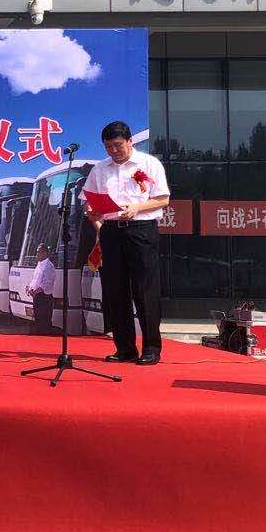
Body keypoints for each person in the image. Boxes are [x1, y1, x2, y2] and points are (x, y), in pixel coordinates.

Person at [84, 120, 170, 366]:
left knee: (145, 289)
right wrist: (92, 212)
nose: (113, 150)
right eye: (108, 147)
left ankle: (151, 348)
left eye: (117, 145)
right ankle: (125, 348)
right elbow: (89, 201)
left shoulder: (149, 163)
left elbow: (163, 199)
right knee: (115, 290)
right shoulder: (100, 169)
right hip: (111, 231)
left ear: (130, 141)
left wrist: (137, 208)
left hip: (141, 231)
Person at [28, 243, 58, 335]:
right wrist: (30, 288)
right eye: (37, 252)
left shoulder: (49, 266)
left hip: (44, 297)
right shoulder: (39, 265)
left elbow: (47, 283)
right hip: (37, 297)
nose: (37, 254)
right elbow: (35, 280)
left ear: (45, 253)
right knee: (38, 320)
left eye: (39, 252)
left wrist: (37, 291)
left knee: (45, 322)